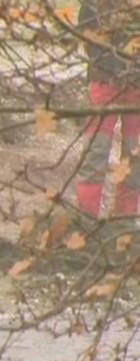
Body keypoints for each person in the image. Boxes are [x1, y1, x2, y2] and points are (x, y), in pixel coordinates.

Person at [76, 0, 140, 217]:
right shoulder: (94, 4)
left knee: (134, 156)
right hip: (104, 81)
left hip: (136, 85)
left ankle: (125, 221)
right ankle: (86, 219)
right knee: (96, 151)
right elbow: (86, 34)